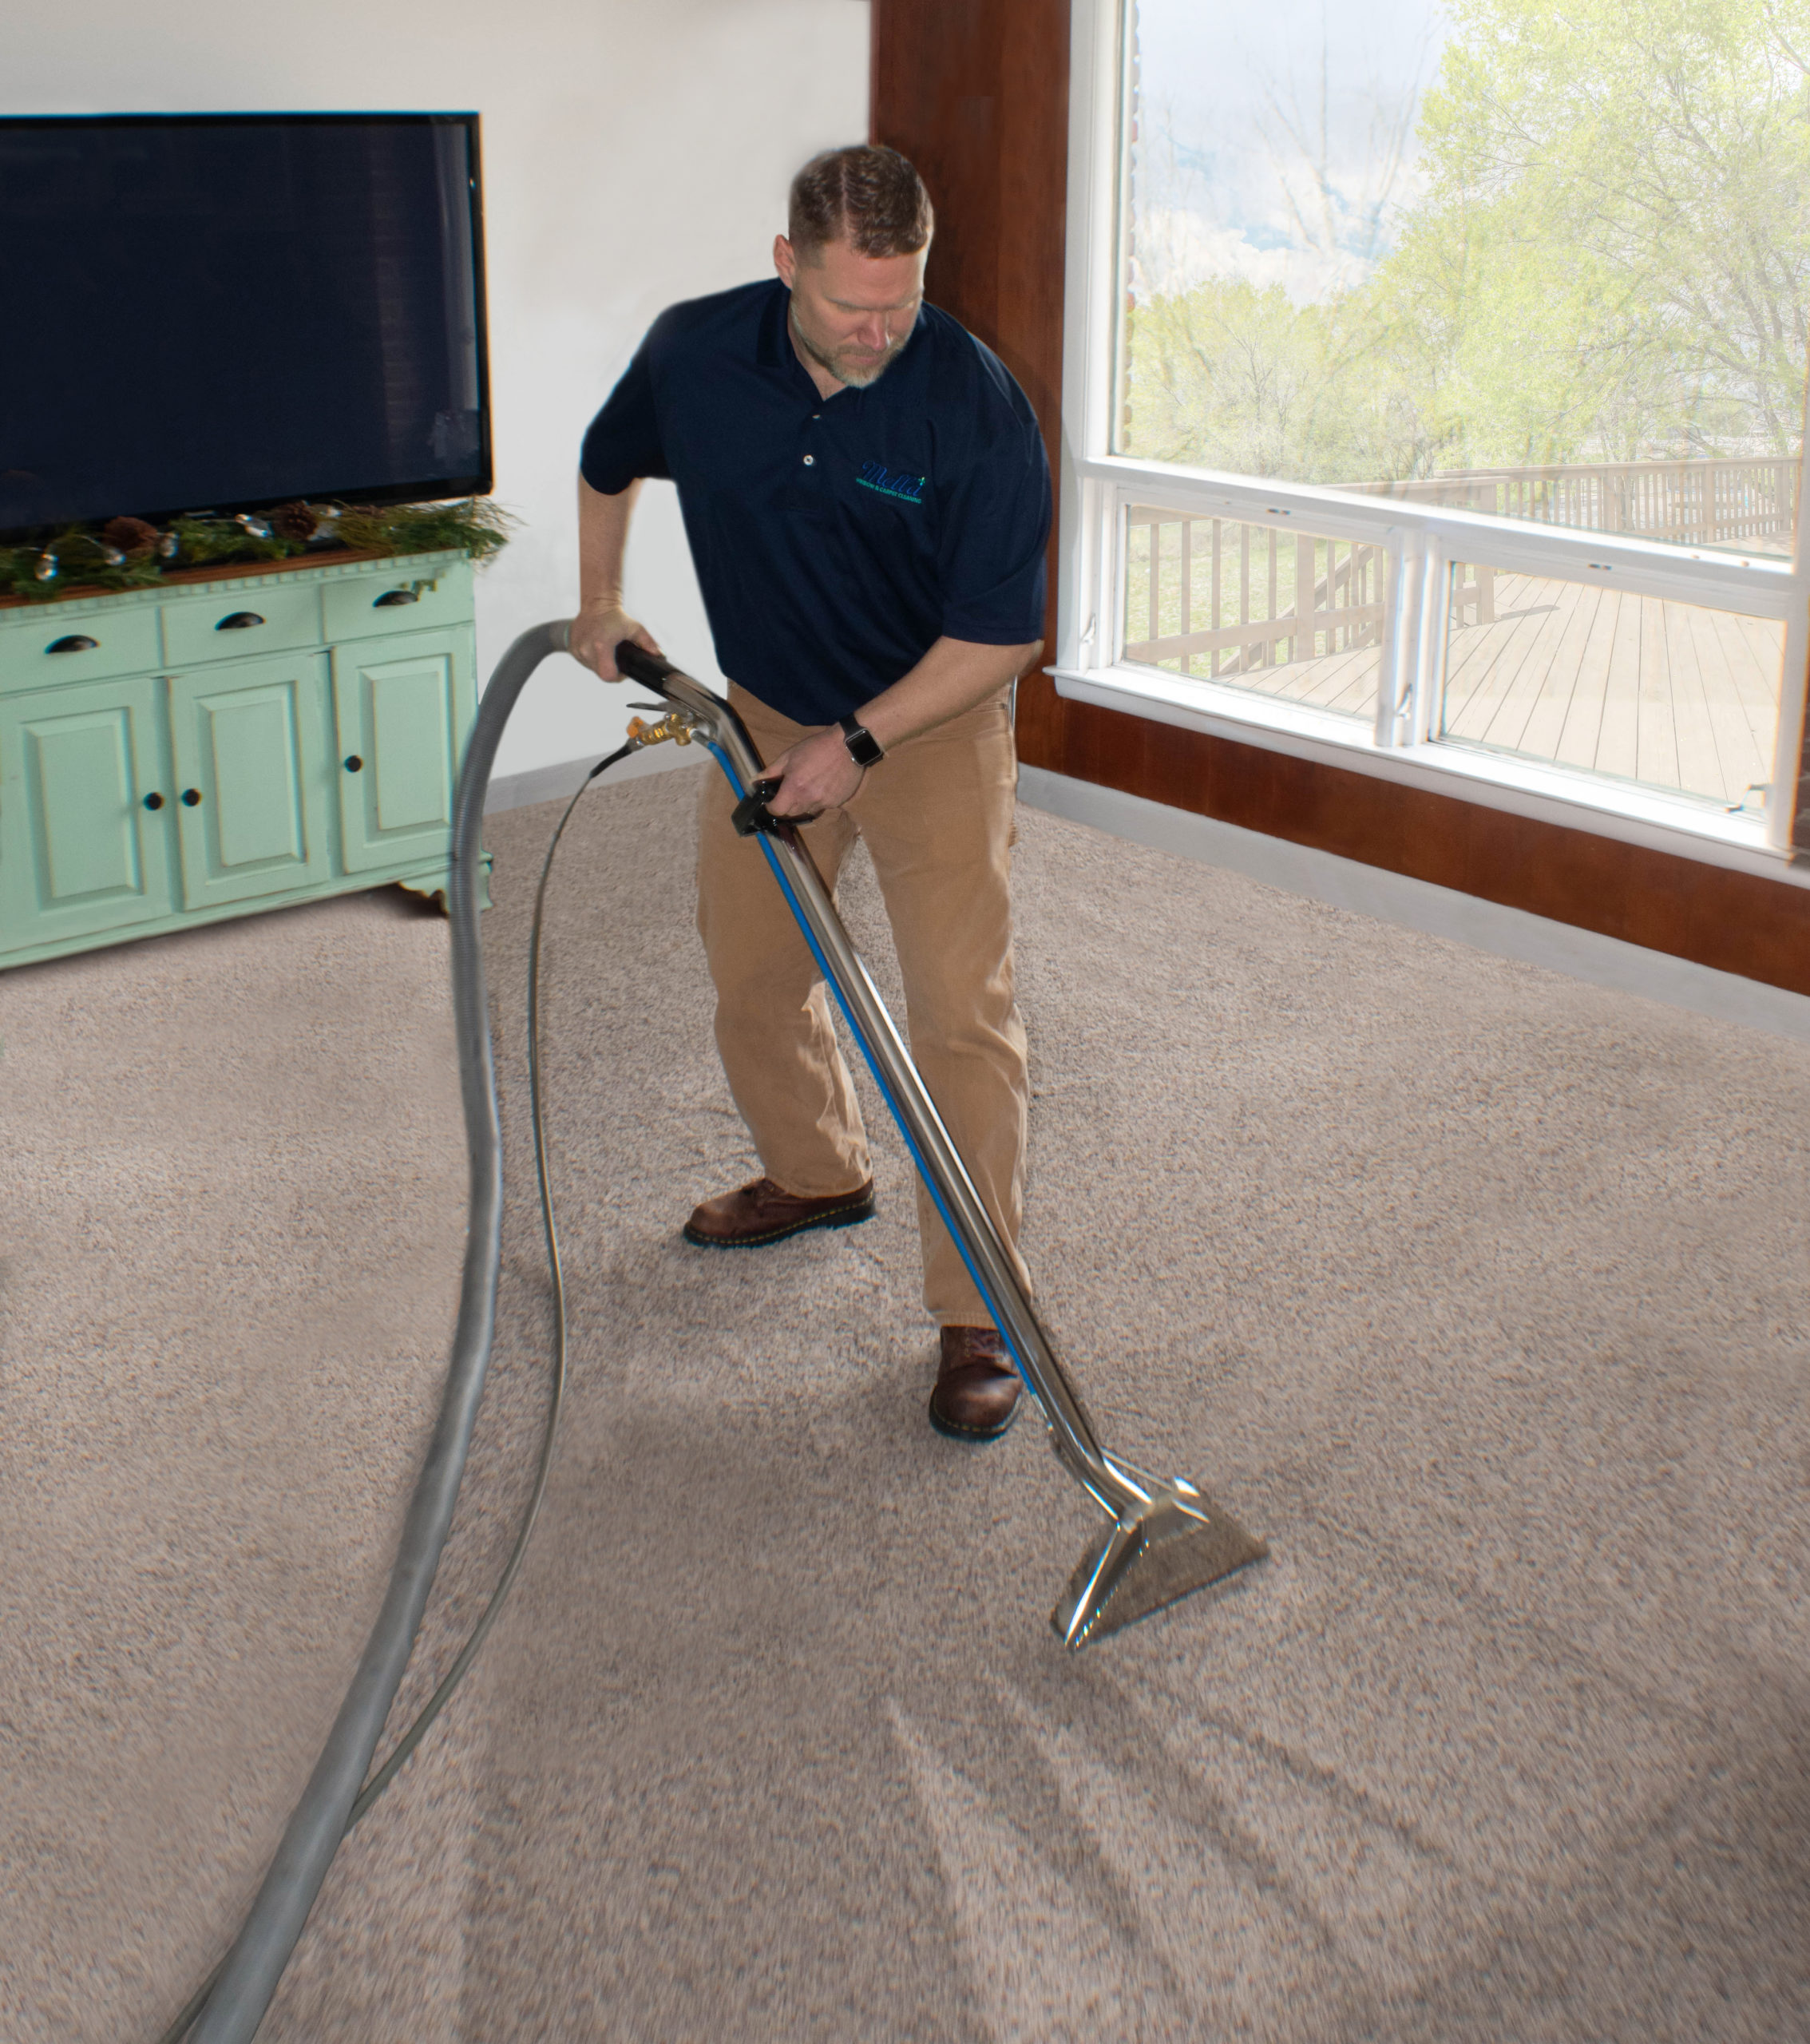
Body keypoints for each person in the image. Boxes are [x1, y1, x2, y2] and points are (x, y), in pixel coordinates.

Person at [570, 145, 1051, 1442]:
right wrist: (601, 599)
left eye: (903, 301)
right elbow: (608, 460)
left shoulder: (974, 405)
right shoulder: (695, 354)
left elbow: (1000, 639)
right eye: (850, 305)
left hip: (930, 722)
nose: (879, 332)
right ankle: (818, 1172)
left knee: (960, 1016)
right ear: (788, 263)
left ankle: (979, 1310)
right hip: (766, 714)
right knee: (752, 973)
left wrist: (861, 741)